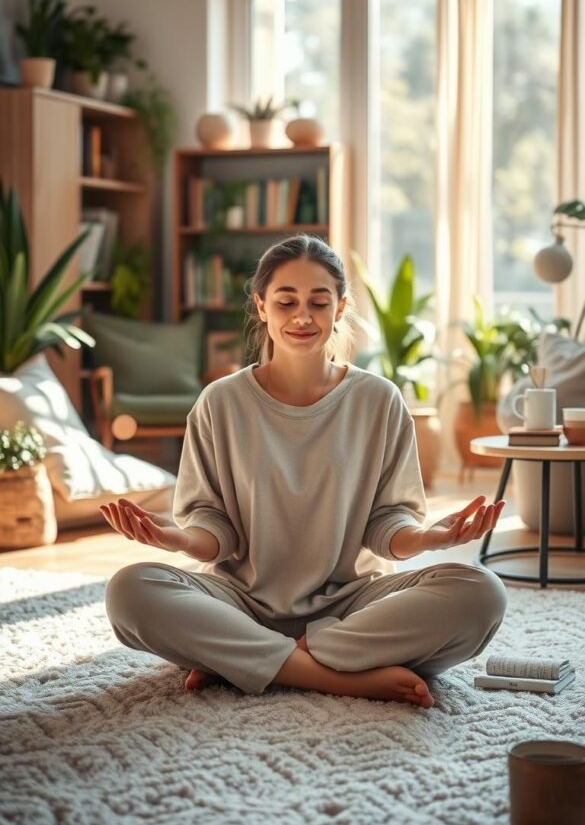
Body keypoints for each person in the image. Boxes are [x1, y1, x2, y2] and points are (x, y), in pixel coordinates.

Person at [103, 234, 507, 708]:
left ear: (340, 308)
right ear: (260, 306)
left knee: (482, 594)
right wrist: (174, 539)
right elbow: (216, 531)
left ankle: (246, 661)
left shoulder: (378, 400)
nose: (302, 316)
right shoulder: (221, 403)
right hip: (241, 604)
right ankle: (337, 674)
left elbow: (386, 527)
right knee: (129, 592)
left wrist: (428, 538)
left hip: (353, 606)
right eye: (286, 301)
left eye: (319, 302)